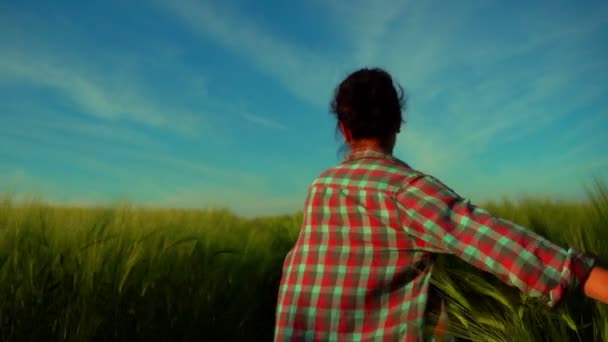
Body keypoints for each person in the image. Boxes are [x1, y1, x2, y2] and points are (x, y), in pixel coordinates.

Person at [273, 67, 608, 341]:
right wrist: (588, 277)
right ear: (397, 124)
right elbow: (493, 241)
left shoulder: (320, 187)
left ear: (345, 131)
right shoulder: (404, 191)